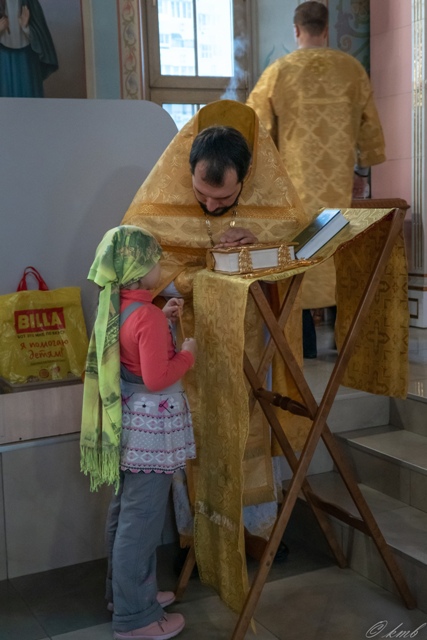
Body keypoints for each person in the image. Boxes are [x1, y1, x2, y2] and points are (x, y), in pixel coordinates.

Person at [121, 99, 311, 612]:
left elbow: (297, 249)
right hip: (184, 341)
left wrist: (256, 247)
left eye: (223, 198)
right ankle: (196, 536)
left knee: (248, 429)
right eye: (201, 195)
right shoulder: (154, 205)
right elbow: (138, 271)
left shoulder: (272, 202)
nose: (209, 206)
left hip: (250, 341)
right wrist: (200, 271)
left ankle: (256, 531)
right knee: (195, 433)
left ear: (246, 181)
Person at [247, 0, 386, 357]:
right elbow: (370, 130)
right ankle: (344, 344)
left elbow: (255, 132)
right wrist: (361, 171)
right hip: (339, 193)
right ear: (326, 29)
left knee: (300, 265)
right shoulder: (351, 70)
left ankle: (304, 346)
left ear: (296, 30)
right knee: (339, 261)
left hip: (296, 195)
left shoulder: (279, 72)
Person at [80, 225, 197, 640]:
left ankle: (125, 593)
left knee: (125, 512)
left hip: (128, 424)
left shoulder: (120, 306)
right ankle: (136, 619)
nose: (160, 267)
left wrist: (161, 320)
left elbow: (133, 348)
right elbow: (156, 377)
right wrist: (187, 354)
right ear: (139, 268)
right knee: (141, 521)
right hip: (151, 430)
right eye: (155, 261)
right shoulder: (144, 315)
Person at [0, 0, 58, 97]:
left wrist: (26, 27)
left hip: (26, 58)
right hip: (3, 59)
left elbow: (41, 34)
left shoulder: (30, 2)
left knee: (29, 94)